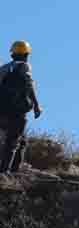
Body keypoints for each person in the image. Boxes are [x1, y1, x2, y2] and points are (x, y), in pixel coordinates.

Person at [0, 40, 42, 174]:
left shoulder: (4, 68)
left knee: (20, 141)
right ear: (26, 54)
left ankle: (14, 171)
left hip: (2, 110)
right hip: (18, 112)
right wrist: (36, 105)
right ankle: (5, 172)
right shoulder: (25, 66)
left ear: (12, 54)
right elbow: (29, 85)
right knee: (13, 141)